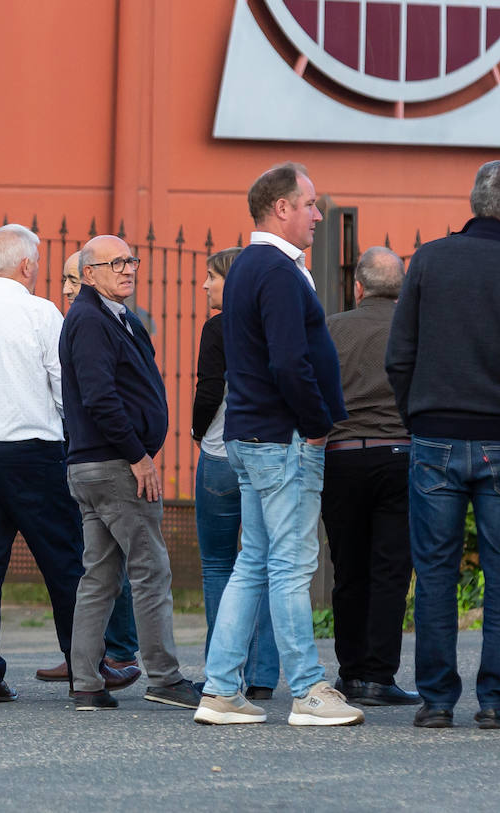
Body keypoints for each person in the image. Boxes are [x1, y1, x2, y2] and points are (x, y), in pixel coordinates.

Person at [386, 160, 500, 730]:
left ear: (473, 203)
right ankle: (497, 700)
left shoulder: (430, 261)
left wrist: (419, 415)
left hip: (435, 435)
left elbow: (400, 356)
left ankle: (436, 700)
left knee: (435, 570)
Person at [0, 225, 126, 703]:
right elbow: (65, 385)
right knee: (63, 562)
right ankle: (85, 671)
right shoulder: (42, 313)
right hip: (35, 452)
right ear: (26, 266)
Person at [196, 162, 362, 727]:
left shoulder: (246, 268)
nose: (318, 215)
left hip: (250, 433)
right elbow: (290, 359)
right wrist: (317, 423)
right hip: (282, 437)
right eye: (310, 204)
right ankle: (310, 691)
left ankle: (220, 689)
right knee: (290, 566)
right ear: (281, 208)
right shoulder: (278, 270)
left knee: (254, 563)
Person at [61, 233, 200, 712]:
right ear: (90, 273)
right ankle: (164, 676)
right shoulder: (91, 320)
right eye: (115, 262)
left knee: (99, 576)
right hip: (116, 466)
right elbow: (100, 397)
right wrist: (138, 456)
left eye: (131, 260)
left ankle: (85, 682)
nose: (128, 269)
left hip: (97, 464)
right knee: (150, 570)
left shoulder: (114, 318)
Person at [35, 250, 140, 684]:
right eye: (62, 279)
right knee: (95, 557)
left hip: (100, 454)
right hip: (79, 451)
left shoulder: (107, 321)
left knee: (116, 558)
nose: (64, 288)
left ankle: (117, 651)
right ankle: (90, 655)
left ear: (91, 276)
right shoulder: (80, 320)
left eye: (71, 278)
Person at [320, 246, 418, 707]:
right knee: (390, 569)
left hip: (340, 457)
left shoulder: (332, 328)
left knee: (348, 569)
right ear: (401, 287)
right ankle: (380, 675)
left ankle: (351, 672)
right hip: (399, 455)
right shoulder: (414, 328)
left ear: (357, 286)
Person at [191, 246, 279, 700]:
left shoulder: (218, 326)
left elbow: (209, 390)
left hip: (220, 455)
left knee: (218, 565)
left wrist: (195, 430)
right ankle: (263, 673)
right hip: (267, 451)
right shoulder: (270, 321)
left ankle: (221, 670)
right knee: (262, 561)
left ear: (233, 280)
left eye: (212, 276)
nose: (205, 285)